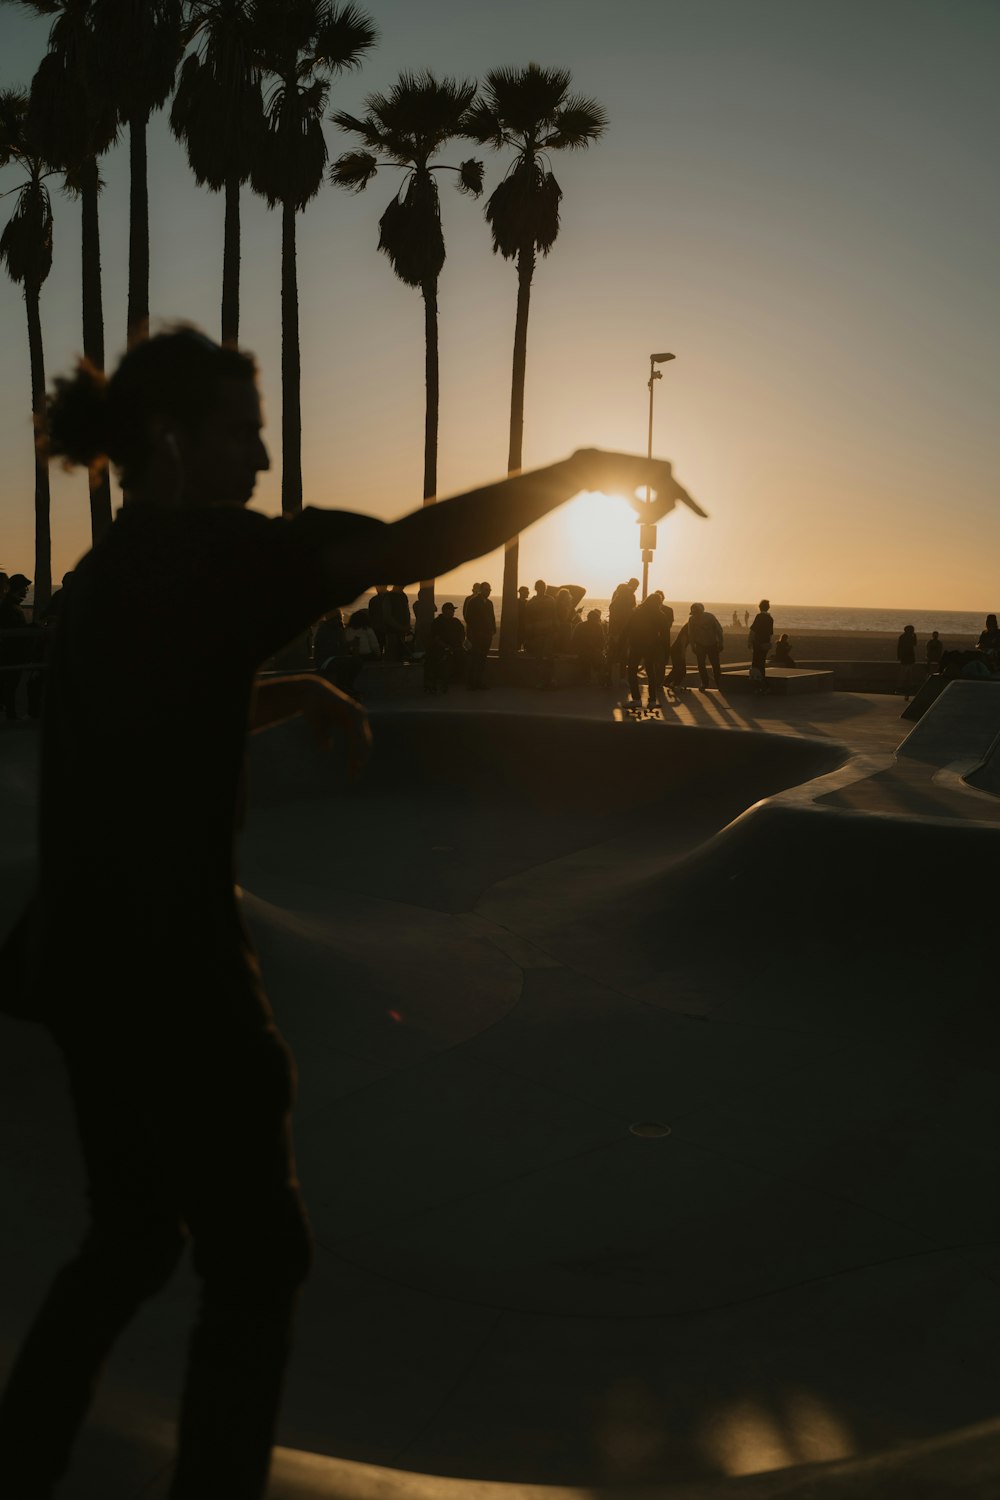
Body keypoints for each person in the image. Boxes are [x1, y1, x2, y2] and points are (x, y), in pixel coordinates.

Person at [0, 324, 693, 1500]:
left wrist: (294, 689)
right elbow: (402, 549)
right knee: (258, 1261)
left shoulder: (112, 573)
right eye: (241, 436)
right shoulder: (216, 554)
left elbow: (161, 706)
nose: (263, 464)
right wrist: (576, 472)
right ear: (171, 442)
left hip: (80, 965)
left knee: (127, 1242)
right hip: (177, 967)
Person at [625, 590, 670, 707]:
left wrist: (621, 643)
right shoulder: (660, 615)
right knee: (651, 672)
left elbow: (627, 628)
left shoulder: (637, 612)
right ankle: (652, 700)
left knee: (631, 671)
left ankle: (636, 699)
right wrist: (666, 651)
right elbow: (665, 635)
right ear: (659, 602)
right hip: (651, 647)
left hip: (636, 645)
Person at [0, 572, 32, 721]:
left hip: (12, 651)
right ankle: (11, 714)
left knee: (10, 683)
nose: (26, 591)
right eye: (25, 588)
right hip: (12, 652)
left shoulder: (10, 605)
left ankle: (9, 712)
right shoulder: (10, 607)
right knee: (11, 683)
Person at [423, 601, 465, 693]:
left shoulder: (455, 621)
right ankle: (436, 683)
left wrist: (459, 643)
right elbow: (436, 638)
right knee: (441, 662)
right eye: (451, 610)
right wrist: (446, 647)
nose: (453, 612)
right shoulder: (437, 622)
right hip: (441, 649)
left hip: (455, 648)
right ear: (445, 611)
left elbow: (462, 632)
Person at [523, 579, 558, 688]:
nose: (542, 589)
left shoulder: (551, 601)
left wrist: (556, 631)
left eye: (543, 587)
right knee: (539, 659)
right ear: (537, 588)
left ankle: (549, 680)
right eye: (540, 587)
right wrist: (528, 637)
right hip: (537, 635)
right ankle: (541, 682)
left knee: (549, 658)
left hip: (549, 635)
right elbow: (527, 621)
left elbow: (555, 616)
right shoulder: (531, 603)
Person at [464, 579, 496, 690]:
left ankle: (479, 682)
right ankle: (471, 683)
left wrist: (493, 630)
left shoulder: (489, 603)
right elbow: (468, 618)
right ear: (481, 590)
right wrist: (475, 631)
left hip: (486, 636)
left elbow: (492, 617)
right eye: (486, 590)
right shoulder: (473, 602)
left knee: (482, 659)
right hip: (477, 635)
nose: (488, 592)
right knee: (475, 659)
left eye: (490, 590)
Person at [606, 578, 639, 686]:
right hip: (620, 630)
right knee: (622, 654)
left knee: (612, 654)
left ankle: (608, 678)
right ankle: (620, 678)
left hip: (616, 630)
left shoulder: (615, 600)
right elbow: (630, 613)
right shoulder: (628, 597)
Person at [689, 601, 725, 689]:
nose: (695, 615)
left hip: (712, 644)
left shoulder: (710, 617)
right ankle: (704, 683)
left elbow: (719, 630)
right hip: (700, 645)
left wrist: (721, 642)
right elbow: (691, 634)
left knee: (715, 665)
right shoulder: (692, 619)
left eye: (696, 613)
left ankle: (719, 683)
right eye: (694, 613)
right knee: (701, 665)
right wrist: (692, 646)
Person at [572, 608, 605, 684]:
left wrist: (598, 649)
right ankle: (587, 678)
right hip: (582, 650)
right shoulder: (580, 626)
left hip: (594, 650)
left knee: (599, 657)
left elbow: (602, 641)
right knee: (587, 657)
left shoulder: (598, 627)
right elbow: (575, 641)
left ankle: (601, 677)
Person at [748, 598, 774, 692]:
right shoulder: (770, 619)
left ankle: (760, 685)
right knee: (761, 663)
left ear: (760, 607)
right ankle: (763, 685)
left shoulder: (759, 617)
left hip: (758, 643)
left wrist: (749, 641)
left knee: (756, 664)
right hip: (765, 644)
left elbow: (753, 630)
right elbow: (770, 633)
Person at [383, 584, 411, 662]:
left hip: (401, 631)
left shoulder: (403, 596)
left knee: (400, 654)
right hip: (392, 631)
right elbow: (387, 616)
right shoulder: (389, 596)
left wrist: (407, 626)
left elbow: (407, 611)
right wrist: (400, 627)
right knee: (391, 653)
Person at [666, 619, 690, 694]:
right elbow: (683, 640)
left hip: (675, 650)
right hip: (677, 651)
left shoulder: (690, 628)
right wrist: (683, 653)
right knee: (680, 670)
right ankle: (671, 683)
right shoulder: (688, 628)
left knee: (678, 669)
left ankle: (671, 683)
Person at [897, 623, 918, 698]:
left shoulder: (906, 637)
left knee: (908, 673)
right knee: (905, 673)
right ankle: (902, 686)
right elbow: (900, 647)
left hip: (908, 658)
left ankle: (905, 686)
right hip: (906, 658)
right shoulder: (904, 637)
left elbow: (914, 644)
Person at [516, 584, 530, 650]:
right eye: (526, 591)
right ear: (521, 592)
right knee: (517, 646)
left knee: (526, 647)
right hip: (518, 629)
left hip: (525, 628)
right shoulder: (516, 603)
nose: (528, 593)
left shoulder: (528, 603)